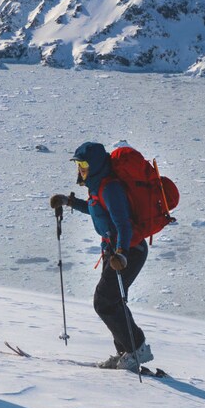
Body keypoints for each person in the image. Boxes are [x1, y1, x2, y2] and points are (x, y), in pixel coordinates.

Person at [50, 141, 152, 371]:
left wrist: (122, 254)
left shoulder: (110, 188)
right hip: (113, 251)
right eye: (78, 165)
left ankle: (137, 349)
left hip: (128, 252)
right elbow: (95, 209)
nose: (80, 169)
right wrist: (69, 202)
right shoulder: (98, 186)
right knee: (113, 301)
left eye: (84, 164)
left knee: (104, 301)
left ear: (95, 165)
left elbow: (123, 225)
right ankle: (126, 352)